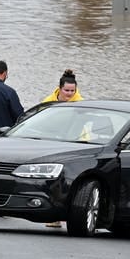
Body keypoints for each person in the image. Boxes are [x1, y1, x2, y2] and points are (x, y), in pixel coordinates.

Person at [43, 69, 83, 229]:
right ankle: (54, 217)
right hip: (51, 143)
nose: (69, 94)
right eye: (67, 90)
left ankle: (71, 216)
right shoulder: (48, 102)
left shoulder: (81, 103)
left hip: (75, 144)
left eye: (72, 91)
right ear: (59, 89)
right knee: (53, 182)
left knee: (70, 181)